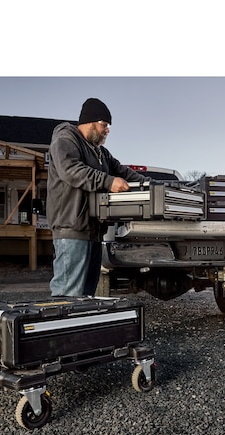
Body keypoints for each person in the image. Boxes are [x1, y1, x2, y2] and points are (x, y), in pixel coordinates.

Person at [46, 97, 149, 297]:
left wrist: (150, 184)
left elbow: (123, 172)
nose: (107, 130)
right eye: (104, 125)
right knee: (68, 296)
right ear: (91, 122)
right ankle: (63, 328)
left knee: (86, 297)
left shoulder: (100, 152)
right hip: (72, 230)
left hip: (93, 232)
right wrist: (108, 182)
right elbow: (71, 170)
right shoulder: (65, 140)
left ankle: (81, 328)